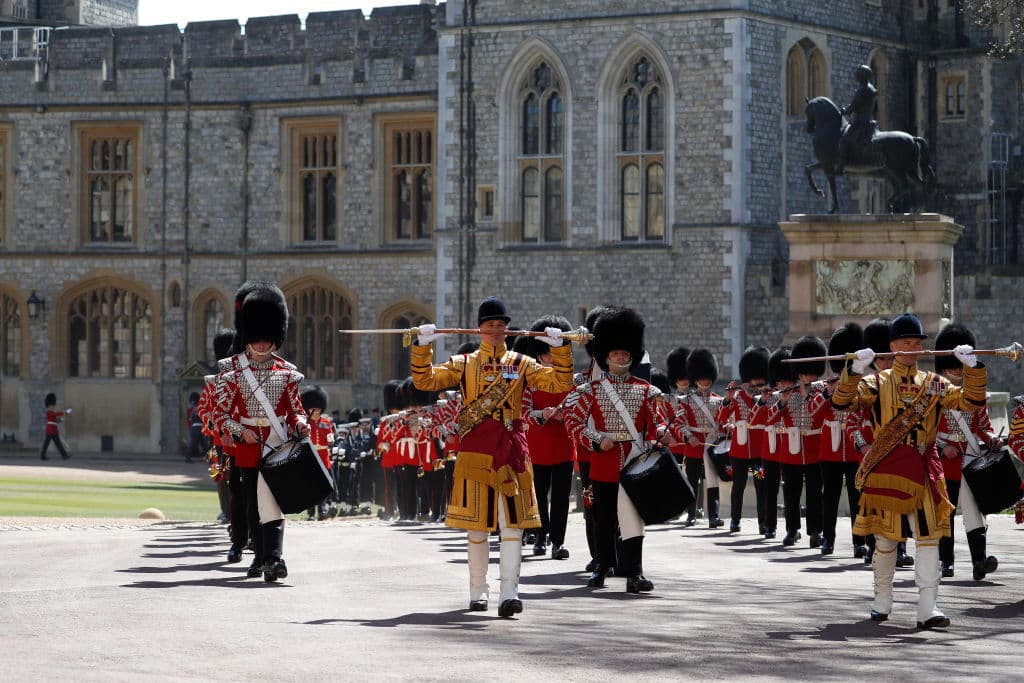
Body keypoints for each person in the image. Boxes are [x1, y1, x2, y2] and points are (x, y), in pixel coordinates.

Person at [411, 296, 573, 617]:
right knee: (478, 528)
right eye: (490, 326)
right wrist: (422, 346)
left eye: (501, 325)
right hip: (476, 452)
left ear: (508, 329)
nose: (496, 331)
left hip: (512, 450)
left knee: (512, 527)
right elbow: (425, 380)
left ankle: (510, 592)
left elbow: (560, 382)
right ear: (479, 329)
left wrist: (560, 351)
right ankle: (478, 591)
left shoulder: (522, 363)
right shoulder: (465, 363)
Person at [831, 312, 987, 629]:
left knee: (929, 538)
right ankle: (882, 600)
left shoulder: (934, 383)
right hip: (888, 467)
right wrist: (853, 371)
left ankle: (928, 607)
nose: (913, 348)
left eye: (917, 342)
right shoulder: (877, 382)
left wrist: (973, 370)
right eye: (906, 342)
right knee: (886, 541)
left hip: (926, 467)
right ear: (893, 346)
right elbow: (842, 402)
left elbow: (970, 403)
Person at [563, 307, 671, 593]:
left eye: (626, 353)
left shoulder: (647, 390)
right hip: (604, 461)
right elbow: (573, 423)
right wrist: (597, 439)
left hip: (634, 461)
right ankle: (601, 566)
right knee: (604, 519)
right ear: (605, 355)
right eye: (616, 353)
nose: (621, 357)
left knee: (633, 520)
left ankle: (634, 571)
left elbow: (656, 423)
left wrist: (662, 433)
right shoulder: (592, 390)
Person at [213, 280, 310, 583]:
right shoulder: (231, 372)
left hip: (277, 444)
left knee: (273, 504)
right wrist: (241, 430)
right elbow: (220, 415)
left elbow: (295, 409)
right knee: (253, 505)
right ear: (248, 336)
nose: (263, 344)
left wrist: (300, 423)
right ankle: (258, 556)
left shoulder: (287, 373)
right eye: (258, 338)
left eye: (268, 338)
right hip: (247, 446)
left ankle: (273, 558)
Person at [933, 322, 1002, 580]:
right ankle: (946, 562)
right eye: (950, 367)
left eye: (957, 367)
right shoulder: (934, 392)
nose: (955, 372)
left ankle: (978, 562)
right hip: (945, 460)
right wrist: (943, 447)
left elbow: (983, 425)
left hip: (970, 457)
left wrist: (992, 438)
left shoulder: (975, 392)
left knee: (974, 511)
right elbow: (926, 429)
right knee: (946, 512)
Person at [518, 315, 575, 559]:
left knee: (561, 497)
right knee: (539, 496)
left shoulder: (570, 380)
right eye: (546, 354)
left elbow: (577, 408)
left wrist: (564, 414)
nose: (550, 358)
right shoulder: (530, 380)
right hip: (538, 446)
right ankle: (540, 537)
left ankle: (558, 542)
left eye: (554, 353)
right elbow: (523, 410)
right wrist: (542, 413)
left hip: (563, 444)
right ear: (540, 354)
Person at [817, 323, 869, 558]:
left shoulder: (862, 385)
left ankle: (860, 541)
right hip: (831, 449)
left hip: (854, 447)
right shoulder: (825, 387)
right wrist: (828, 395)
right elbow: (813, 416)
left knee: (857, 497)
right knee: (830, 497)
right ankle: (828, 539)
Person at [777, 335, 828, 548]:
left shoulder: (823, 392)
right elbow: (769, 416)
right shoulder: (788, 393)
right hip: (792, 449)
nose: (808, 376)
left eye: (811, 372)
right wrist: (781, 403)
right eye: (804, 372)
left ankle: (815, 530)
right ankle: (792, 529)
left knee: (815, 492)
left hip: (815, 447)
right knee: (791, 492)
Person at [717, 346, 770, 534]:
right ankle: (735, 520)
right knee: (738, 486)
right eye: (753, 381)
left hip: (758, 451)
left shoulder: (766, 397)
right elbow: (721, 418)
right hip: (739, 451)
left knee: (760, 485)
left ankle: (763, 522)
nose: (756, 384)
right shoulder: (738, 398)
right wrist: (727, 399)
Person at [673, 349, 723, 529]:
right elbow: (678, 424)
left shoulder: (719, 400)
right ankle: (691, 514)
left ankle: (714, 516)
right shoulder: (685, 401)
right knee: (692, 481)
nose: (705, 381)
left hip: (711, 445)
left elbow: (723, 424)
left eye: (707, 377)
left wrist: (722, 432)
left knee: (712, 481)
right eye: (702, 377)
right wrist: (689, 437)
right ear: (695, 378)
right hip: (694, 446)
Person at [302, 384, 336, 521]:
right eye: (312, 407)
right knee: (311, 486)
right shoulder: (304, 422)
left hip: (323, 456)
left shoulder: (326, 422)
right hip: (310, 457)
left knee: (322, 485)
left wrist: (331, 440)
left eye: (317, 407)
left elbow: (330, 437)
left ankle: (322, 510)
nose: (315, 410)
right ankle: (311, 513)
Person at [835, 64, 878, 173]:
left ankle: (841, 165)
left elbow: (854, 106)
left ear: (862, 76)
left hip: (861, 121)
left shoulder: (862, 89)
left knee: (844, 139)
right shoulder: (871, 88)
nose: (856, 76)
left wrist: (844, 111)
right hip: (869, 118)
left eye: (858, 74)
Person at [40, 393, 71, 461]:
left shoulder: (51, 412)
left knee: (58, 444)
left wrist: (60, 420)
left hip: (54, 430)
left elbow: (55, 420)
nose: (53, 407)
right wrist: (65, 412)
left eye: (53, 406)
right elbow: (55, 414)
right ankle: (42, 456)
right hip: (50, 431)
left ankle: (64, 455)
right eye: (52, 406)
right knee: (46, 444)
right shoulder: (49, 412)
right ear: (49, 406)